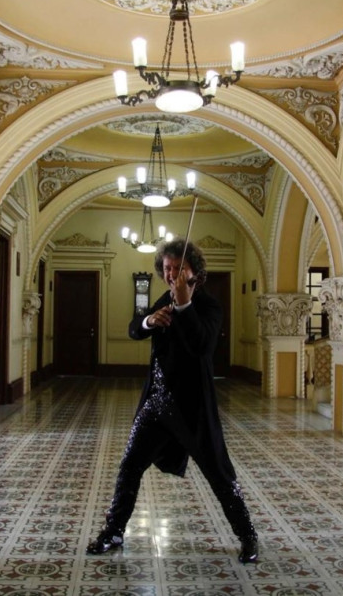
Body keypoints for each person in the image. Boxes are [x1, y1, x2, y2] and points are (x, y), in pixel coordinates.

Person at [86, 238, 258, 563]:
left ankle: (248, 536)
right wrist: (150, 321)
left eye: (178, 268)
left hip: (193, 408)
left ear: (195, 271)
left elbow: (203, 345)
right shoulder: (163, 298)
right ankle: (114, 531)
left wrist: (184, 307)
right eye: (167, 267)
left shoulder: (208, 306)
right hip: (155, 405)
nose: (171, 273)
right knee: (129, 466)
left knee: (219, 474)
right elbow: (135, 329)